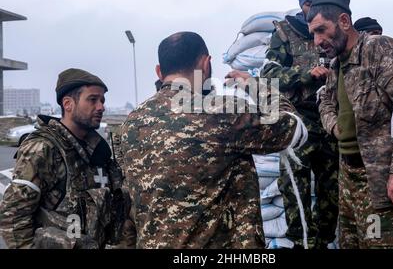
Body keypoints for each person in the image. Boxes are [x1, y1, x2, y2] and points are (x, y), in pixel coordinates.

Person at [119, 31, 307, 249]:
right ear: (206, 64)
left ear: (159, 72)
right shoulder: (220, 110)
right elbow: (296, 130)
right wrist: (256, 86)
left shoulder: (132, 122)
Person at [307, 0, 393, 248]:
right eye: (313, 34)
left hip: (379, 180)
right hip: (348, 178)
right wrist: (337, 129)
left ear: (344, 21)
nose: (317, 41)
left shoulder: (379, 50)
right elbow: (325, 102)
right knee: (351, 243)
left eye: (321, 30)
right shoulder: (336, 65)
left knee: (380, 243)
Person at [0, 68, 134, 249]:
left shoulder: (98, 152)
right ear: (68, 104)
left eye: (102, 100)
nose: (101, 107)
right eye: (93, 99)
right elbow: (13, 217)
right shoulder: (43, 148)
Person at [259, 0, 339, 249]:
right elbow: (268, 75)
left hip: (330, 121)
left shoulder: (333, 28)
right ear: (302, 4)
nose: (312, 10)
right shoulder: (284, 32)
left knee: (332, 192)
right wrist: (305, 74)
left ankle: (325, 242)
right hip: (299, 123)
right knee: (295, 191)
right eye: (308, 5)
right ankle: (301, 243)